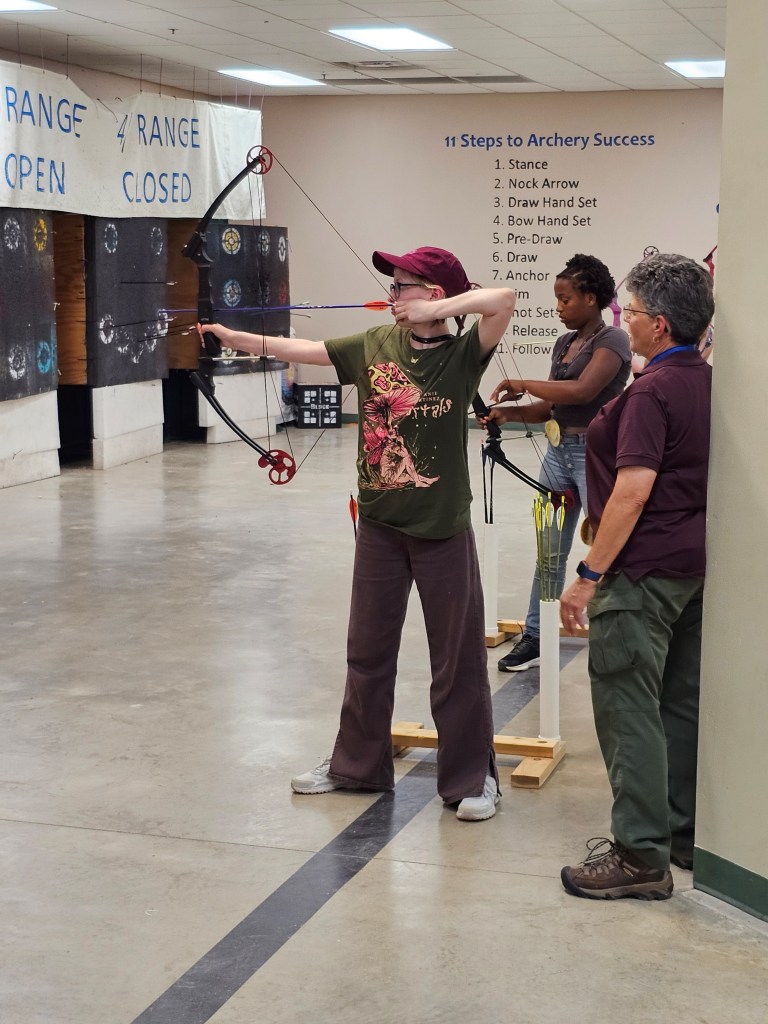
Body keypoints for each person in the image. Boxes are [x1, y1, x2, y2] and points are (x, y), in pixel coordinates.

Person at [199, 247, 516, 821]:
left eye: (404, 285)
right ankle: (357, 767)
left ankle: (474, 779)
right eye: (392, 286)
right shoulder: (375, 342)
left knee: (457, 660)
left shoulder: (465, 353)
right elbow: (309, 351)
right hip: (378, 527)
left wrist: (434, 311)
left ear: (435, 295)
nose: (393, 294)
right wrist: (235, 337)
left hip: (441, 528)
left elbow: (503, 301)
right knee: (366, 653)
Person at [558, 252, 714, 900]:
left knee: (628, 707)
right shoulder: (705, 380)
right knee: (677, 703)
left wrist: (588, 574)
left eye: (635, 312)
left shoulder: (652, 391)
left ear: (662, 324)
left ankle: (640, 854)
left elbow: (632, 492)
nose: (628, 320)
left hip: (642, 571)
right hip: (690, 568)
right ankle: (679, 833)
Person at [484, 254, 631, 672]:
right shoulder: (564, 344)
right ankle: (536, 636)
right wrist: (507, 413)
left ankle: (615, 636)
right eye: (557, 299)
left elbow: (582, 391)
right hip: (558, 455)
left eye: (565, 299)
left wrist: (522, 382)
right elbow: (551, 407)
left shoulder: (613, 341)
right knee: (549, 553)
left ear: (591, 298)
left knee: (605, 552)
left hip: (594, 458)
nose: (559, 307)